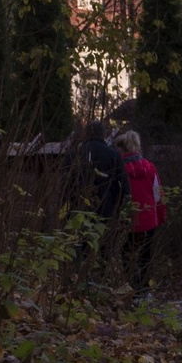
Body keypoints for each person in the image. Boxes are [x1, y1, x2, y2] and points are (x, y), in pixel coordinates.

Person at [115, 129, 166, 292]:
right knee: (145, 254)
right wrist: (160, 216)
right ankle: (144, 289)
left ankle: (132, 285)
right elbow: (158, 194)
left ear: (122, 149)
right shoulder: (150, 167)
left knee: (125, 253)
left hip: (128, 219)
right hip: (148, 218)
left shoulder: (119, 169)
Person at [71, 119, 125, 260]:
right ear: (103, 134)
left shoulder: (75, 154)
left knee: (79, 249)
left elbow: (67, 183)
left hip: (79, 210)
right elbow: (123, 186)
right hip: (106, 210)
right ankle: (102, 276)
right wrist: (120, 210)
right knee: (105, 250)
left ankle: (77, 276)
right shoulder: (113, 155)